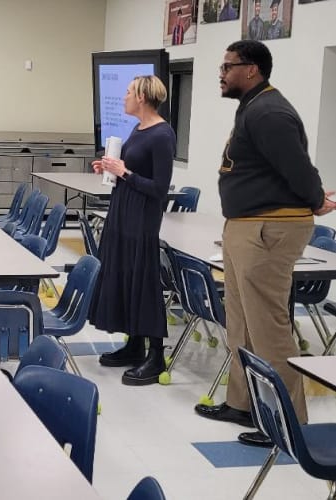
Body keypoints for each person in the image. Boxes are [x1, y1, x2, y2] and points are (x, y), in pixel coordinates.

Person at [194, 40, 336, 447]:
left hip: (269, 230)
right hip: (247, 226)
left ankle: (287, 423)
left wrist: (314, 200)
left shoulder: (270, 111)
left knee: (269, 327)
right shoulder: (253, 106)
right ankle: (243, 402)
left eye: (227, 67)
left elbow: (298, 167)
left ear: (252, 69)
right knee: (240, 322)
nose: (221, 73)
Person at [89, 75, 176, 386]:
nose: (124, 97)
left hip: (142, 218)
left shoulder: (162, 134)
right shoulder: (137, 130)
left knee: (143, 281)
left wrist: (124, 171)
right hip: (123, 211)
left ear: (142, 97)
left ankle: (156, 355)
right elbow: (132, 170)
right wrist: (110, 168)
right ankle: (135, 344)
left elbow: (160, 188)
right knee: (126, 275)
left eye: (128, 92)